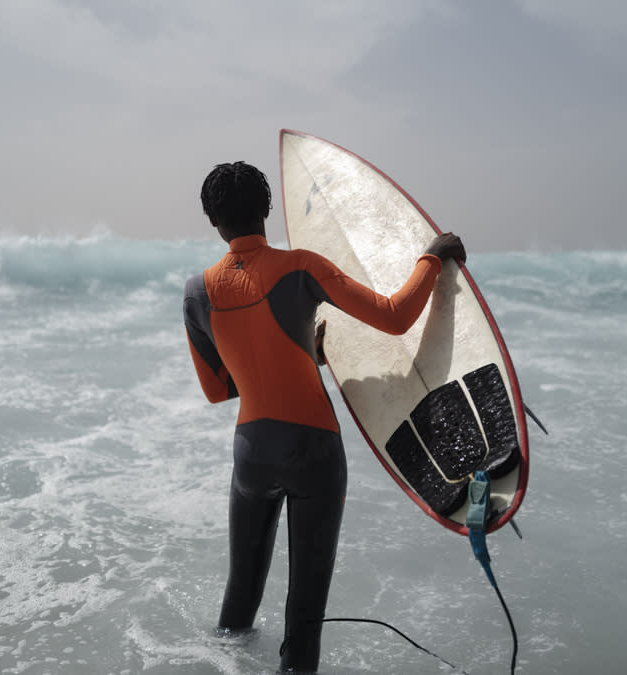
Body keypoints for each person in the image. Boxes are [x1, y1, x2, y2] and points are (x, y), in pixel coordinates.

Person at [183, 161, 465, 673]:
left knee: (239, 601)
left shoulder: (198, 291)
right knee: (305, 612)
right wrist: (434, 257)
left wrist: (294, 352)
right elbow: (394, 316)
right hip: (312, 452)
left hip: (250, 456)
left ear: (211, 219)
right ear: (268, 209)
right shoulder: (300, 267)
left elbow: (218, 388)